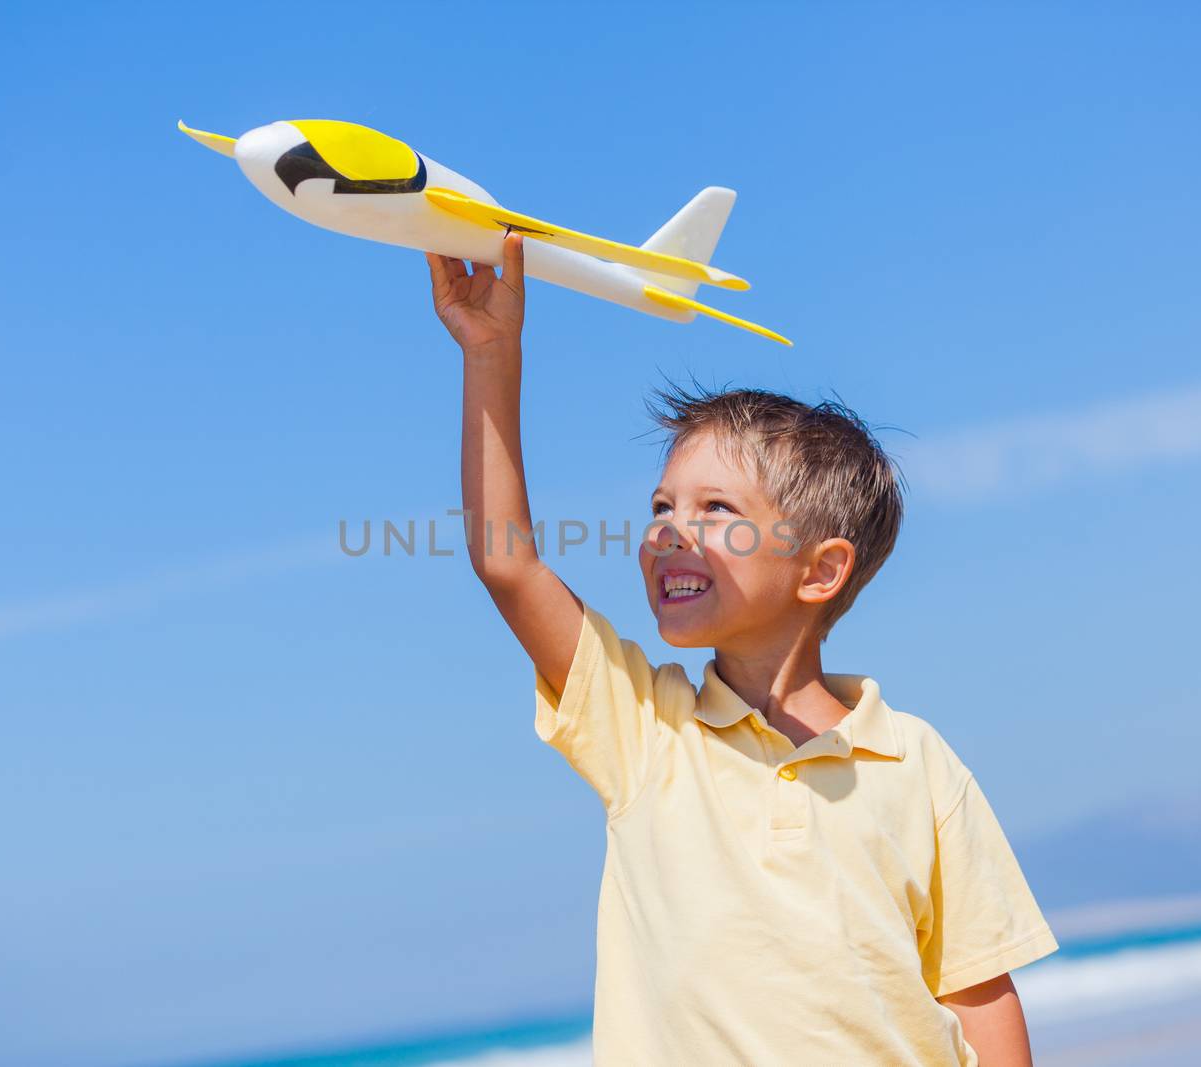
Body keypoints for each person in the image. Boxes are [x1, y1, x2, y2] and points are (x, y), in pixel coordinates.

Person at [426, 233, 1059, 1066]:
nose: (667, 531)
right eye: (661, 504)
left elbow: (979, 991)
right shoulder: (646, 731)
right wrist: (491, 352)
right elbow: (508, 563)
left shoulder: (917, 764)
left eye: (715, 507)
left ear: (820, 569)